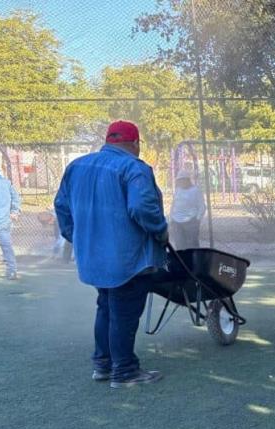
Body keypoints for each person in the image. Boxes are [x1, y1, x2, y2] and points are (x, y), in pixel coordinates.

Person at [54, 120, 168, 389]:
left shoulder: (76, 166)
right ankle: (125, 371)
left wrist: (77, 237)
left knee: (106, 306)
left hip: (93, 258)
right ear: (136, 143)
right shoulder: (133, 167)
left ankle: (103, 365)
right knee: (123, 312)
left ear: (108, 141)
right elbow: (142, 208)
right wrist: (161, 232)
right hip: (127, 258)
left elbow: (61, 206)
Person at [169, 169, 206, 250]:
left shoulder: (195, 190)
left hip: (191, 221)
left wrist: (197, 219)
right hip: (176, 222)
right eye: (180, 179)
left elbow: (202, 206)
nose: (181, 181)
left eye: (183, 179)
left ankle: (194, 261)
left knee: (192, 245)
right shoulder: (178, 190)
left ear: (187, 179)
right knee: (179, 245)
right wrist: (171, 218)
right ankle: (182, 261)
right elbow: (173, 205)